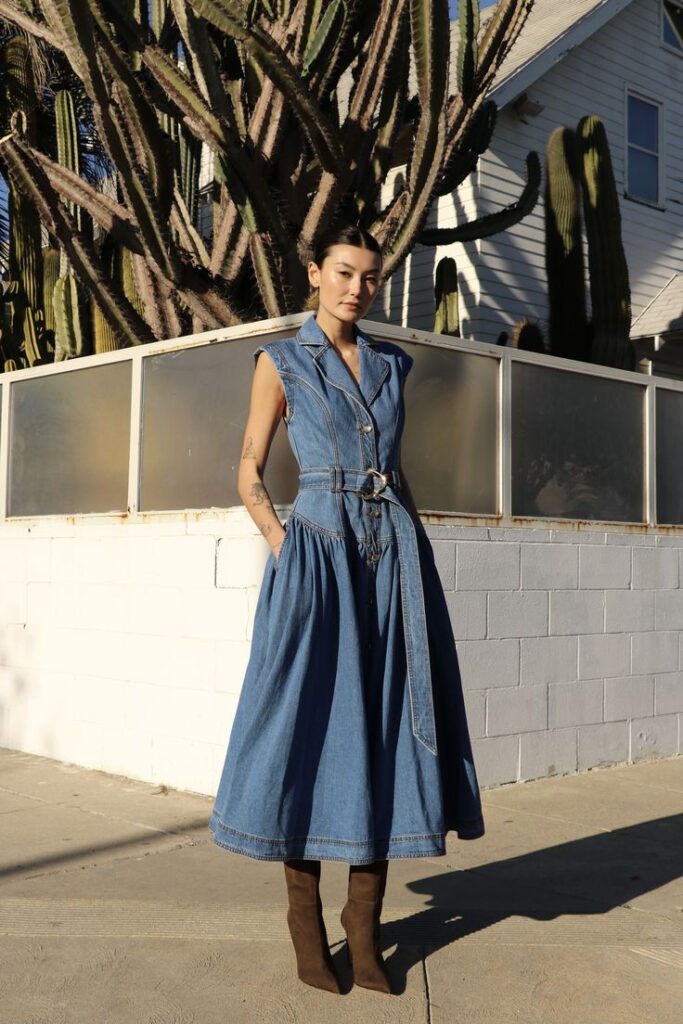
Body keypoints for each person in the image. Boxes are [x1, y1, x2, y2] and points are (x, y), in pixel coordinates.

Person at [208, 223, 485, 996]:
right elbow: (248, 465)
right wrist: (280, 540)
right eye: (342, 272)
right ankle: (306, 930)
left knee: (388, 728)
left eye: (368, 276)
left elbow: (391, 467)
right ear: (313, 274)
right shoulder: (281, 359)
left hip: (392, 554)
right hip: (317, 555)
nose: (356, 288)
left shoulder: (394, 363)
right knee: (307, 728)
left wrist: (411, 560)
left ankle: (361, 936)